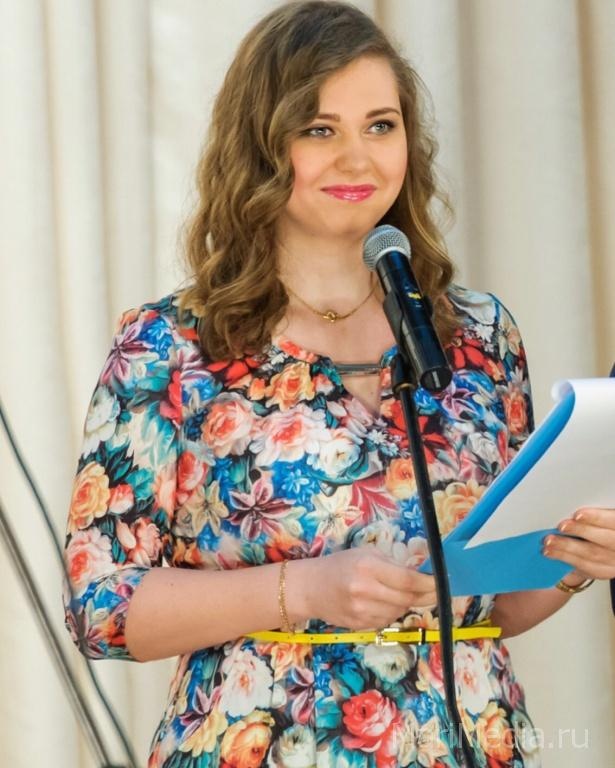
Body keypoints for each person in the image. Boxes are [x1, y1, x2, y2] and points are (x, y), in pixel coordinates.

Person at [63, 2, 615, 766]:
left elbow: (497, 605)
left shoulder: (479, 335)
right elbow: (100, 606)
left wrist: (577, 557)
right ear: (260, 146)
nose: (357, 158)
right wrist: (302, 589)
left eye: (380, 126)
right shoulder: (170, 347)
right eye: (319, 129)